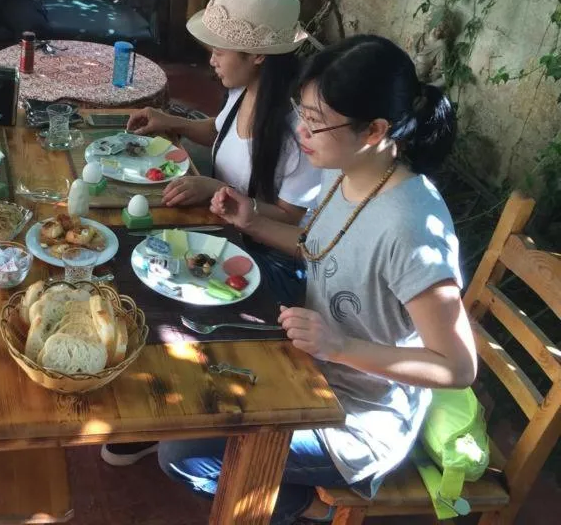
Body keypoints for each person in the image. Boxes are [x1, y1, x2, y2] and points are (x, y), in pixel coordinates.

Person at [158, 35, 477, 524]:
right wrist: (253, 222)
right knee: (192, 311)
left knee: (182, 452)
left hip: (357, 418)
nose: (301, 131)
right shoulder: (343, 167)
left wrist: (339, 345)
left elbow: (457, 367)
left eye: (314, 121)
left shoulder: (412, 229)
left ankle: (303, 508)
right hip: (310, 357)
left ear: (374, 129)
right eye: (301, 112)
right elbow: (317, 244)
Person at [101, 0, 321, 469]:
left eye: (222, 50)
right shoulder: (245, 92)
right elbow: (216, 131)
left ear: (259, 55)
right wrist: (169, 121)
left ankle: (181, 414)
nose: (212, 60)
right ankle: (154, 407)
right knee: (125, 256)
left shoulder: (295, 128)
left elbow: (296, 221)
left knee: (155, 293)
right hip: (221, 229)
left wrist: (221, 193)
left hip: (266, 259)